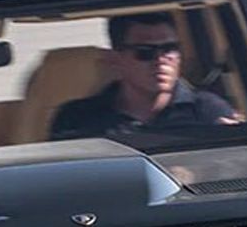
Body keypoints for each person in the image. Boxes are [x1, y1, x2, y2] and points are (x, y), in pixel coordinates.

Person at [48, 12, 237, 139]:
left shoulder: (207, 112)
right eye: (145, 51)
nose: (161, 60)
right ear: (115, 59)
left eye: (170, 49)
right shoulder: (77, 120)